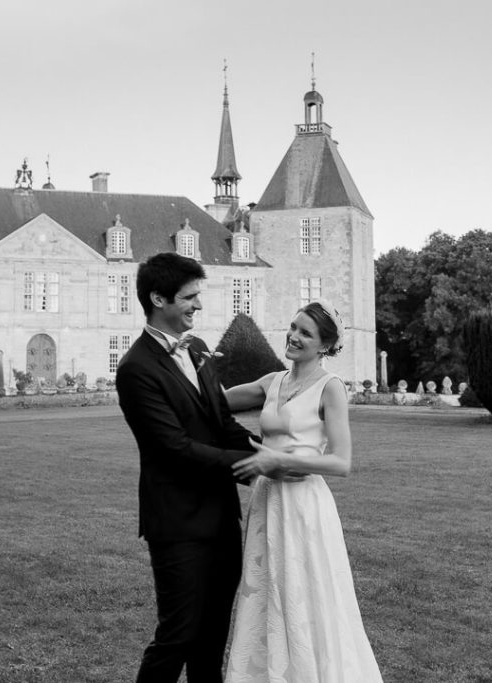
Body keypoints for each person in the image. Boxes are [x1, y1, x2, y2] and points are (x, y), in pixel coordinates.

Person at [116, 252, 290, 683]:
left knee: (212, 636)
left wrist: (263, 448)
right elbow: (174, 448)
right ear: (158, 298)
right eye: (190, 297)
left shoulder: (196, 349)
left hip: (219, 516)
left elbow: (221, 421)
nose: (198, 305)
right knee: (178, 634)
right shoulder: (135, 368)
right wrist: (255, 463)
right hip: (176, 522)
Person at [223, 300, 384, 682]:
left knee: (304, 593)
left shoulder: (331, 388)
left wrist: (280, 462)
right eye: (294, 327)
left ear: (324, 345)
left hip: (304, 505)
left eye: (305, 333)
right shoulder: (271, 381)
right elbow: (213, 401)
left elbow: (341, 462)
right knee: (266, 591)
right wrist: (187, 365)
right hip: (267, 502)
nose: (294, 336)